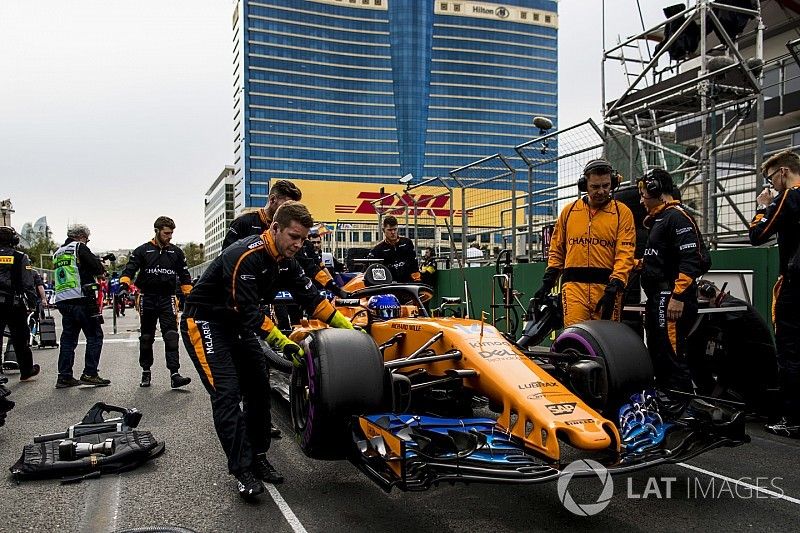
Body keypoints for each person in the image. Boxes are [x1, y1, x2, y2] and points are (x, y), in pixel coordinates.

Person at [180, 201, 357, 498]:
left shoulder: (288, 258)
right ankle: (242, 469)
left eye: (303, 239)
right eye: (294, 237)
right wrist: (283, 343)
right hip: (206, 320)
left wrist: (350, 329)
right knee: (226, 394)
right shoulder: (244, 255)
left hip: (238, 322)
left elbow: (312, 299)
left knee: (259, 390)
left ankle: (259, 457)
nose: (299, 245)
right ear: (274, 228)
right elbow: (250, 312)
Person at [535, 159, 636, 327]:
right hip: (574, 289)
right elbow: (557, 249)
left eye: (606, 185)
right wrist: (548, 282)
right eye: (595, 187)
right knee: (575, 336)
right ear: (584, 185)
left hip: (607, 289)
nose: (601, 191)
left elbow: (625, 252)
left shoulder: (622, 213)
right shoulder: (569, 212)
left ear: (613, 183)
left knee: (606, 341)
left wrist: (616, 284)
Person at [638, 169, 710, 395]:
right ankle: (668, 402)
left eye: (643, 194)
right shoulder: (661, 218)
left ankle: (682, 405)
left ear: (656, 190)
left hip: (670, 297)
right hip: (659, 298)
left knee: (672, 352)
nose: (641, 199)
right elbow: (664, 258)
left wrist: (678, 297)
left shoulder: (676, 216)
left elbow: (693, 259)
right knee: (659, 351)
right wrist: (639, 264)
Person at [749, 149, 800, 437]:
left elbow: (757, 235)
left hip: (794, 287)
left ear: (783, 172)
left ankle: (792, 418)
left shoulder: (791, 196)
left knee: (790, 352)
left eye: (770, 180)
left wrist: (763, 206)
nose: (769, 187)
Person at [120, 216, 193, 389]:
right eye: (167, 233)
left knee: (171, 336)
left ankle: (175, 374)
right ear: (157, 231)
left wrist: (190, 296)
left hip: (168, 298)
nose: (170, 236)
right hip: (147, 298)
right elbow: (129, 269)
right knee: (146, 337)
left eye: (171, 233)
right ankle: (146, 371)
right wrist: (124, 285)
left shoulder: (176, 252)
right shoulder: (142, 251)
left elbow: (184, 276)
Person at [53, 224, 109, 388]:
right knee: (94, 335)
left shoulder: (58, 252)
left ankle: (64, 376)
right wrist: (101, 265)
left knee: (68, 339)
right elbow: (98, 270)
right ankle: (90, 373)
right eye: (87, 239)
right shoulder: (79, 247)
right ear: (81, 237)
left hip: (63, 299)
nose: (87, 242)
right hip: (82, 298)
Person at [0, 226, 40, 381]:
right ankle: (26, 370)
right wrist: (32, 302)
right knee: (20, 338)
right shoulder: (20, 257)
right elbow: (28, 283)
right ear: (14, 240)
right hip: (13, 304)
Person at [221, 180, 302, 250]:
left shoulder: (288, 228)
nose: (290, 210)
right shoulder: (243, 222)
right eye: (287, 205)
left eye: (293, 206)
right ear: (272, 199)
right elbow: (226, 257)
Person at [367, 215, 421, 283]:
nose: (393, 232)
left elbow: (414, 263)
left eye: (395, 229)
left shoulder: (407, 243)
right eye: (389, 230)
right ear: (383, 230)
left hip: (408, 283)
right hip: (389, 285)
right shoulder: (378, 249)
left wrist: (416, 279)